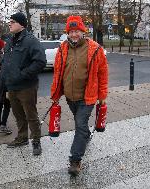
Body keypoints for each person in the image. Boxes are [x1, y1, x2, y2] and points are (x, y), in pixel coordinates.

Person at [50, 15, 108, 176]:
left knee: (80, 124)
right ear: (67, 33)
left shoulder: (95, 48)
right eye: (71, 31)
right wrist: (55, 94)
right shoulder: (62, 49)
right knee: (80, 123)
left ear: (83, 31)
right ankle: (85, 135)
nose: (74, 34)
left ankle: (75, 160)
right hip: (70, 96)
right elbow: (57, 73)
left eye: (77, 31)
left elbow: (103, 74)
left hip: (87, 97)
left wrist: (102, 95)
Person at [1, 12, 46, 155]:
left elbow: (40, 62)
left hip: (27, 87)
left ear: (21, 24)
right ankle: (22, 138)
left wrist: (22, 75)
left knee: (31, 115)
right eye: (9, 21)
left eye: (12, 21)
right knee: (18, 115)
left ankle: (36, 141)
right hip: (12, 86)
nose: (9, 23)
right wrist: (6, 82)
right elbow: (6, 62)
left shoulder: (31, 40)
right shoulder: (9, 41)